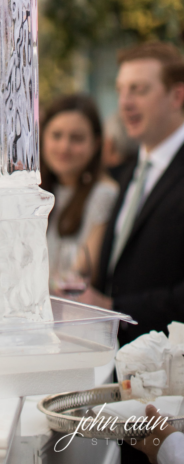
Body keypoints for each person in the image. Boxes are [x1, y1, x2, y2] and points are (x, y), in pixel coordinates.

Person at [79, 42, 184, 344]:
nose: (124, 102)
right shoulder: (127, 174)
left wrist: (117, 310)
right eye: (121, 90)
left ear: (176, 95)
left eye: (138, 89)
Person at [41, 93, 118, 291]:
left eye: (76, 138)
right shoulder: (37, 190)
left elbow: (80, 273)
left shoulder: (104, 195)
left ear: (96, 143)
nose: (64, 146)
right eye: (56, 135)